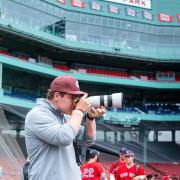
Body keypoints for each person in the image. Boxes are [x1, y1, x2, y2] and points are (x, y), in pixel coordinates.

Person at [25, 75, 106, 180]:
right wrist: (79, 111)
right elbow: (63, 138)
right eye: (72, 97)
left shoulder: (66, 116)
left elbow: (88, 140)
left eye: (77, 98)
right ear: (57, 95)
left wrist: (90, 118)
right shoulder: (37, 114)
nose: (75, 102)